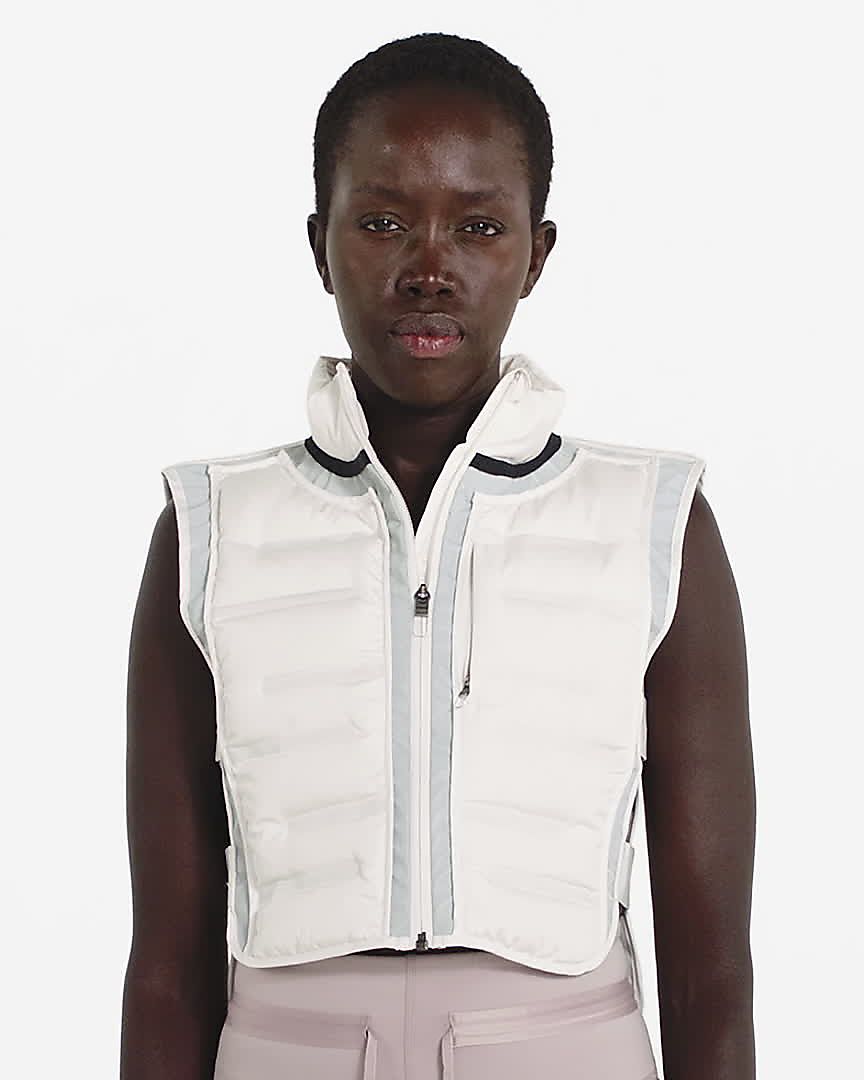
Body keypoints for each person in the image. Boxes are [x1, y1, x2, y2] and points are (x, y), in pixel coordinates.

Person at [121, 32, 755, 1080]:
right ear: (319, 243)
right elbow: (167, 970)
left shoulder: (655, 524)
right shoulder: (211, 527)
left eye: (478, 226)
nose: (428, 268)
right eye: (382, 222)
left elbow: (711, 975)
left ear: (536, 253)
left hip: (565, 1052)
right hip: (287, 1052)